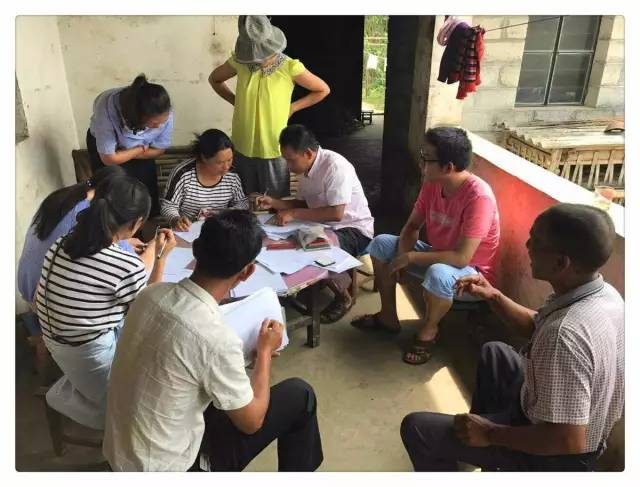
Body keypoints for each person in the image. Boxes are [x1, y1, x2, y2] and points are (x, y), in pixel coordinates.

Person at [400, 203, 624, 471]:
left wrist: (492, 434)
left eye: (536, 241)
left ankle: (482, 442)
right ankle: (473, 444)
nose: (527, 245)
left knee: (417, 428)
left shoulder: (564, 335)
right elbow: (539, 325)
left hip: (554, 454)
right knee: (496, 353)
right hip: (559, 420)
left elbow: (568, 440)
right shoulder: (603, 294)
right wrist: (493, 296)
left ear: (561, 262)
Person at [103, 210, 323, 472]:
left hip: (121, 454)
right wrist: (264, 353)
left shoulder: (148, 295)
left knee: (215, 388)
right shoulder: (215, 339)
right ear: (248, 271)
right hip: (169, 468)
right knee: (300, 395)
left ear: (195, 249)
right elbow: (252, 422)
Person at [35, 175, 176, 429]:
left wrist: (148, 250)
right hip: (89, 355)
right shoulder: (124, 265)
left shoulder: (63, 243)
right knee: (147, 392)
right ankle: (87, 400)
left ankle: (88, 387)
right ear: (137, 223)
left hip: (58, 342)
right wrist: (160, 257)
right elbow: (150, 310)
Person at [351, 127, 500, 365]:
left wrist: (410, 258)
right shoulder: (433, 183)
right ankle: (388, 317)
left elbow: (462, 258)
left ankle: (429, 332)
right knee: (380, 244)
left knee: (438, 273)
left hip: (471, 274)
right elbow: (412, 227)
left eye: (426, 158)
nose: (420, 163)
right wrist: (402, 255)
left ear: (448, 167)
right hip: (438, 255)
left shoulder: (478, 197)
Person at [17, 166, 143, 375]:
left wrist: (125, 241)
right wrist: (156, 249)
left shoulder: (62, 197)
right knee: (122, 306)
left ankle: (43, 339)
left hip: (28, 282)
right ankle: (48, 344)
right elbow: (133, 267)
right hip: (46, 297)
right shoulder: (89, 215)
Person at [257, 124, 374, 323]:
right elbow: (304, 204)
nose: (288, 166)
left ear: (308, 153)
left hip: (352, 229)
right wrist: (275, 203)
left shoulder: (335, 167)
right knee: (285, 242)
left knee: (313, 247)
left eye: (291, 160)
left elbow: (336, 214)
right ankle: (309, 281)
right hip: (323, 226)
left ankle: (344, 296)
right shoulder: (306, 170)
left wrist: (293, 213)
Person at [209, 15, 330, 197]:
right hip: (242, 145)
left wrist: (293, 108)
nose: (258, 59)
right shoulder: (240, 62)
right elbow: (215, 79)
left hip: (274, 146)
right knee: (244, 198)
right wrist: (236, 101)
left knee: (275, 200)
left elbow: (322, 90)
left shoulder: (289, 66)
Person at [87, 73, 174, 216]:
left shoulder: (163, 111)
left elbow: (159, 150)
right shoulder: (106, 110)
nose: (159, 127)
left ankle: (144, 223)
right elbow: (109, 159)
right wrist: (140, 149)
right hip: (110, 152)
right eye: (154, 124)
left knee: (145, 194)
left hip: (140, 152)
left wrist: (129, 153)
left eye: (162, 122)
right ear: (137, 118)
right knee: (114, 196)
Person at [160, 129, 248, 231]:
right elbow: (168, 205)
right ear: (204, 158)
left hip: (223, 229)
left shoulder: (233, 174)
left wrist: (226, 213)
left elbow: (242, 203)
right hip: (189, 229)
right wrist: (176, 219)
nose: (226, 167)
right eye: (219, 162)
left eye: (229, 160)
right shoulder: (183, 174)